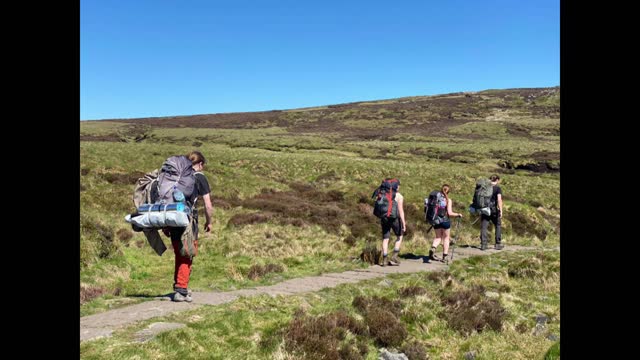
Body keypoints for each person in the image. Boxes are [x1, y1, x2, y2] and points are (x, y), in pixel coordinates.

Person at [167, 151, 213, 302]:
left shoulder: (177, 176)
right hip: (188, 220)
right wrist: (209, 221)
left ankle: (181, 286)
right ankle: (181, 289)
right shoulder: (199, 177)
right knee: (187, 253)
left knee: (180, 253)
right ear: (200, 164)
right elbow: (207, 204)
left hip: (172, 218)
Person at [428, 184, 463, 263]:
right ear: (448, 191)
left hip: (436, 221)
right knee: (446, 238)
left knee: (438, 237)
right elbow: (450, 213)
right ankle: (444, 256)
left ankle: (433, 247)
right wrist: (458, 214)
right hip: (445, 221)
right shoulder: (448, 200)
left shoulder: (436, 199)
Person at [379, 179, 406, 266]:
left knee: (385, 238)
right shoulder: (399, 196)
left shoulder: (383, 194)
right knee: (400, 236)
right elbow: (401, 211)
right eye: (398, 185)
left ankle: (384, 259)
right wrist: (404, 223)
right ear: (396, 186)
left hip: (384, 218)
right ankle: (394, 256)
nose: (399, 186)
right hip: (395, 219)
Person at [480, 175, 503, 250]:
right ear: (497, 180)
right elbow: (499, 200)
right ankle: (497, 244)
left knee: (484, 226)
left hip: (485, 209)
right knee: (498, 225)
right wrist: (501, 210)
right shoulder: (497, 188)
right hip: (494, 210)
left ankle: (483, 244)